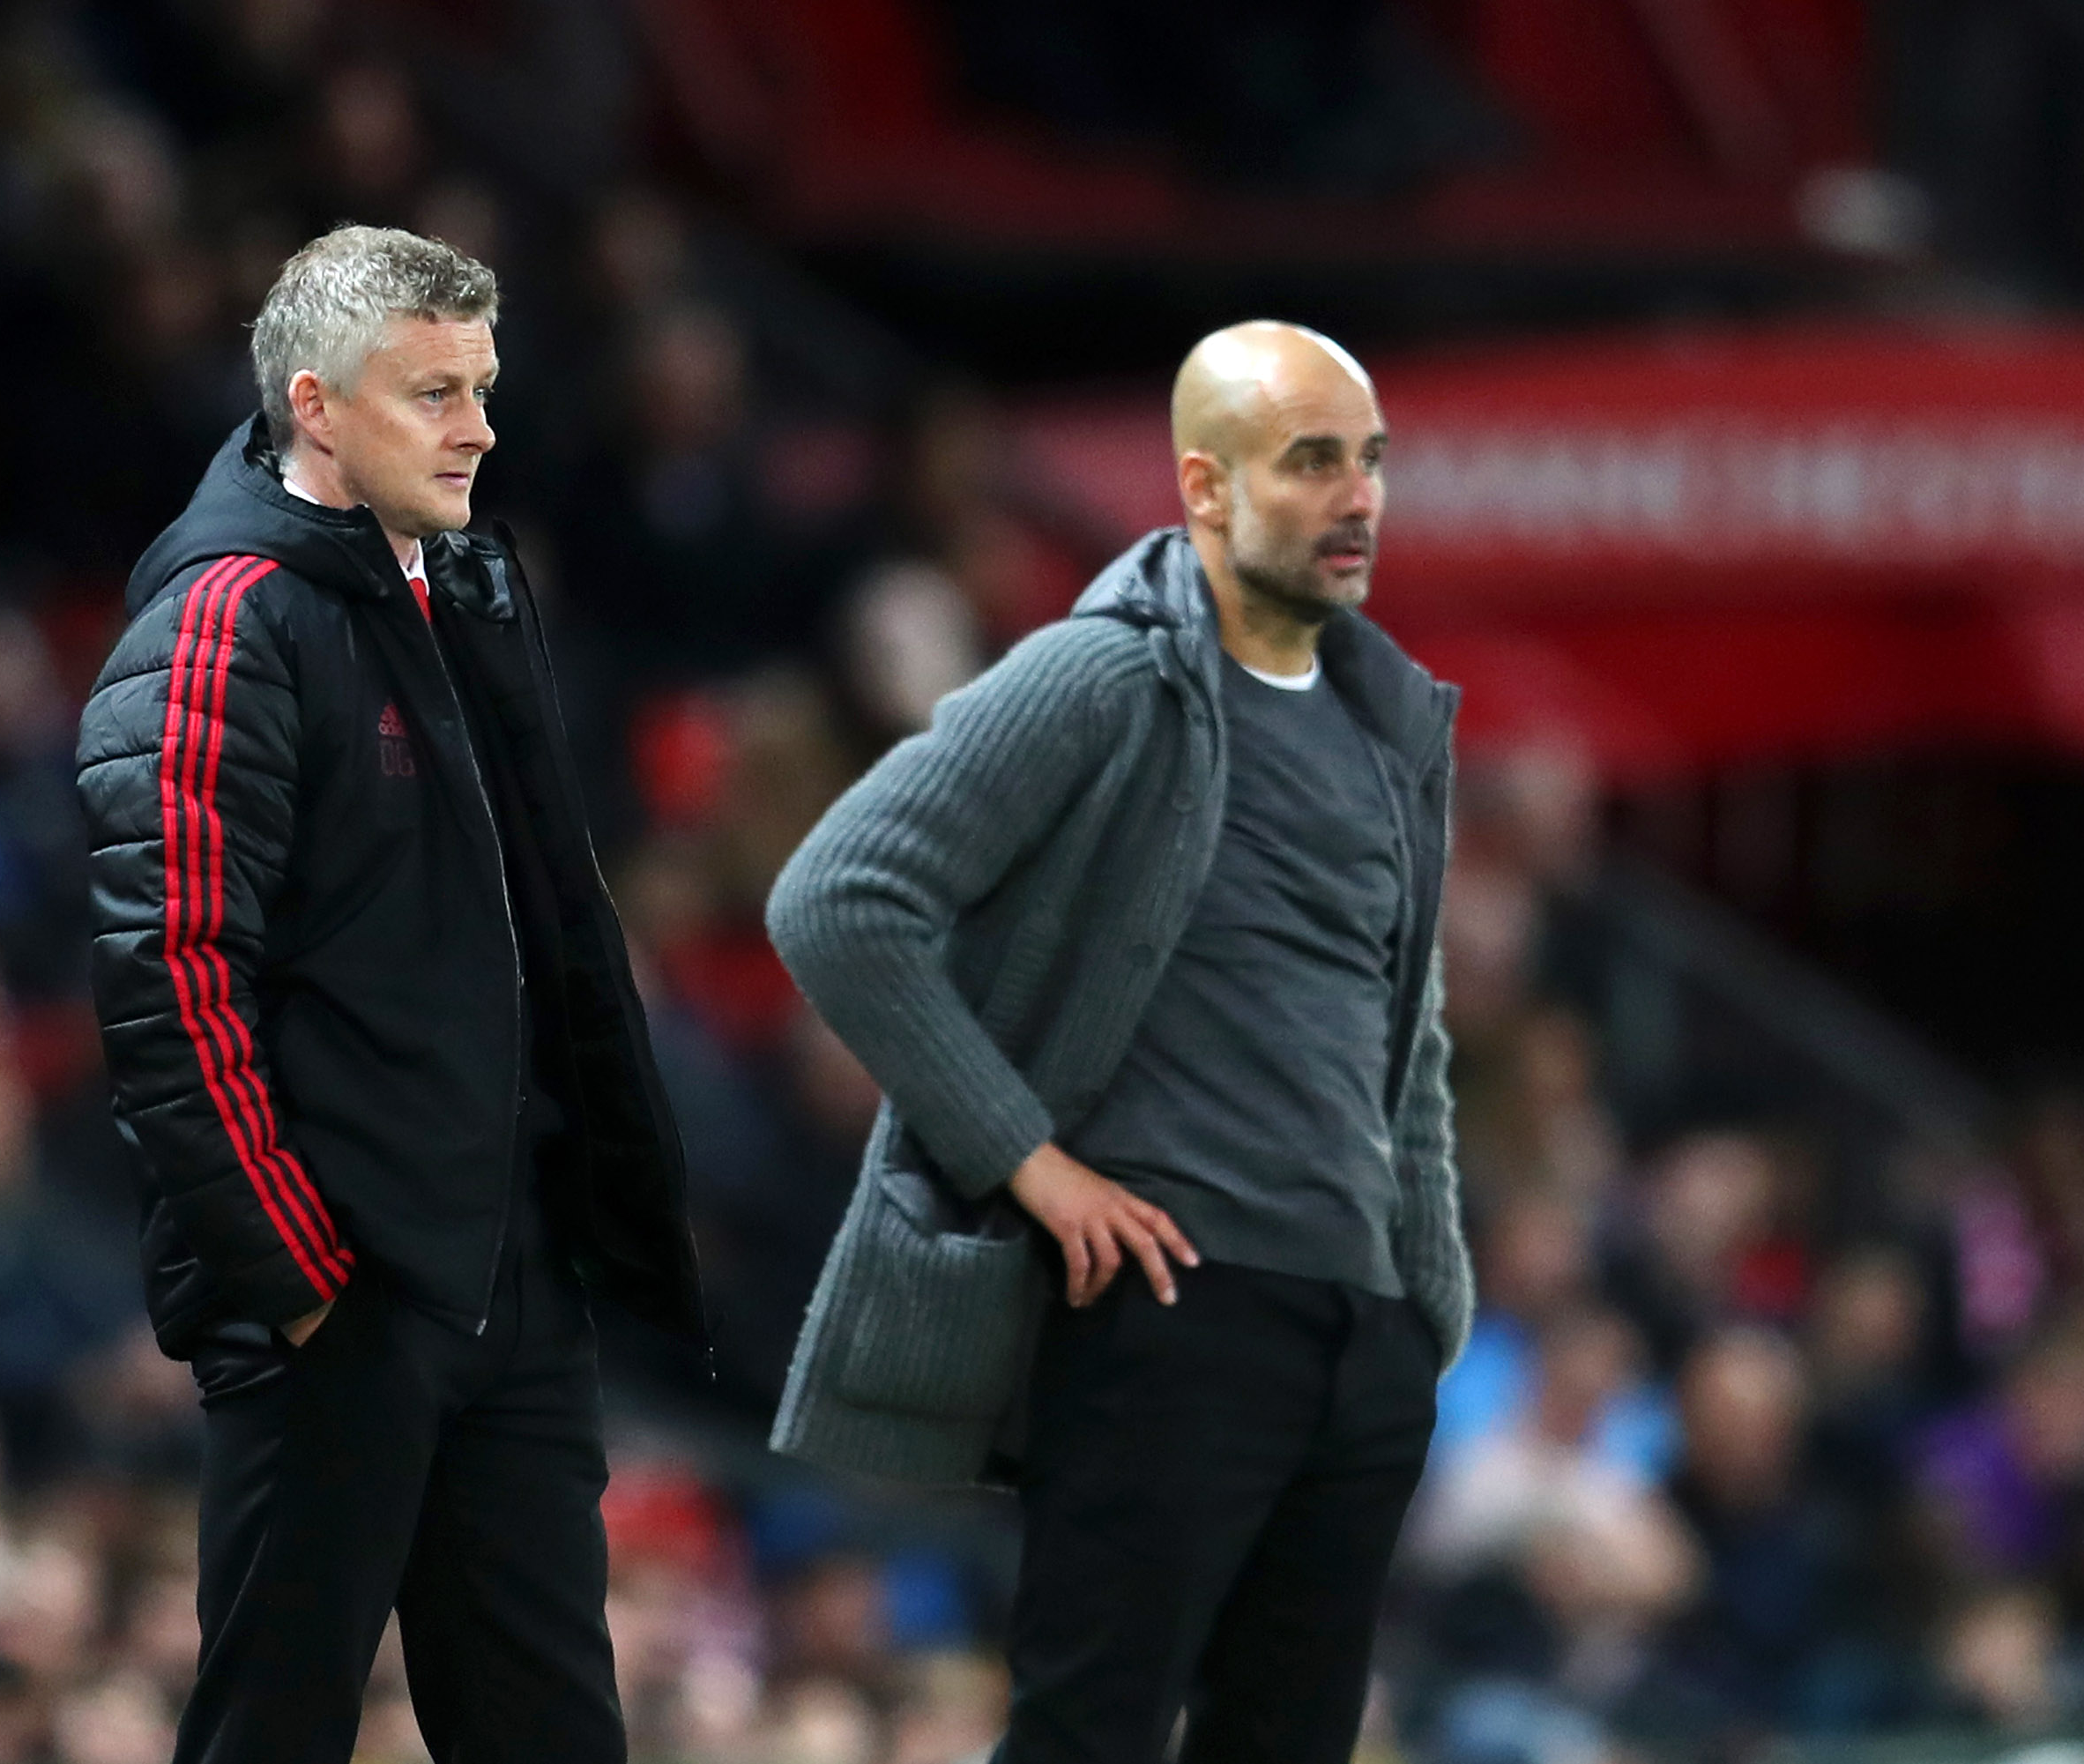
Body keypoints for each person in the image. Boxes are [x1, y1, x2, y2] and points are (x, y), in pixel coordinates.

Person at [767, 321, 1471, 1762]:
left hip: (1357, 1330)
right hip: (1172, 1306)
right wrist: (1029, 1160)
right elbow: (838, 899)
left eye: (1375, 461)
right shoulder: (1104, 674)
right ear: (1205, 488)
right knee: (1086, 1735)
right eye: (1315, 460)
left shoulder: (1390, 723)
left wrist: (1423, 1301)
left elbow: (1412, 1043)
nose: (1360, 498)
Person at [76, 225, 703, 1764]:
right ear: (318, 405)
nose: (480, 427)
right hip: (344, 1292)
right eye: (436, 393)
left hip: (509, 1275)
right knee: (273, 1730)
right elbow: (170, 975)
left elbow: (548, 922)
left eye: (483, 387)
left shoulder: (471, 584)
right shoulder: (227, 615)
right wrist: (299, 1270)